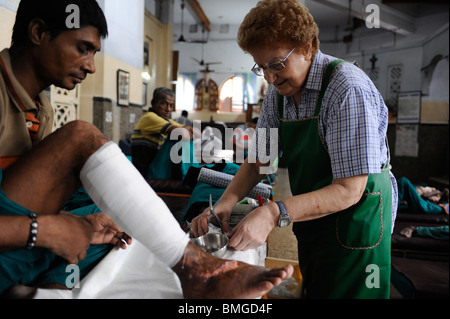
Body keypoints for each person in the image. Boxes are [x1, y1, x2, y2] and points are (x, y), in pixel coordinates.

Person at [0, 0, 293, 298]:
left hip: (17, 233)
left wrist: (76, 224)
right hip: (16, 237)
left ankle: (46, 293)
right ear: (38, 32)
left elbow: (30, 200)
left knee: (119, 225)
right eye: (82, 48)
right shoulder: (153, 118)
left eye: (278, 65)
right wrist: (47, 230)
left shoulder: (41, 109)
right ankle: (194, 268)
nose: (90, 65)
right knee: (80, 138)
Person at [192, 0, 398, 299]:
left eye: (276, 64)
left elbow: (349, 190)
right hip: (313, 216)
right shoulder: (279, 96)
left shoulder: (346, 88)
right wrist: (226, 202)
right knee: (316, 286)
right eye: (261, 67)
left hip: (358, 222)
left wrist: (272, 214)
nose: (270, 77)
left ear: (307, 47)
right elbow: (259, 161)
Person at [131, 88, 194, 178]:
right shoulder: (149, 117)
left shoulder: (166, 120)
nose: (168, 109)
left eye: (171, 105)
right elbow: (182, 134)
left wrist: (186, 131)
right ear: (153, 103)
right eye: (163, 104)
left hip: (157, 167)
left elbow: (194, 132)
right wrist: (185, 131)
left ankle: (190, 172)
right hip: (147, 172)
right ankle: (188, 175)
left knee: (182, 137)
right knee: (177, 137)